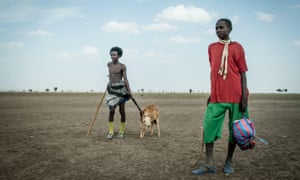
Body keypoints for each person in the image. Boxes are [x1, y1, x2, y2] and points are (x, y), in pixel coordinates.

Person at [192, 18, 249, 176]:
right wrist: (212, 93)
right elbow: (215, 72)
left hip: (236, 95)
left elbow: (243, 73)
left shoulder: (238, 47)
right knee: (208, 127)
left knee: (235, 130)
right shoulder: (211, 48)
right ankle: (209, 163)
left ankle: (229, 162)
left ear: (230, 29)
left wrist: (244, 97)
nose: (218, 30)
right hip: (217, 96)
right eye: (216, 28)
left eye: (222, 27)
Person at [105, 46, 132, 140]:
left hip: (120, 90)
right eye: (111, 54)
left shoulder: (122, 66)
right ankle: (111, 131)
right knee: (111, 110)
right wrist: (109, 82)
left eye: (114, 55)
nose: (112, 56)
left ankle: (121, 131)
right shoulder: (108, 64)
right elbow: (111, 75)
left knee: (121, 111)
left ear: (119, 55)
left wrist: (129, 91)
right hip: (111, 90)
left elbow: (125, 79)